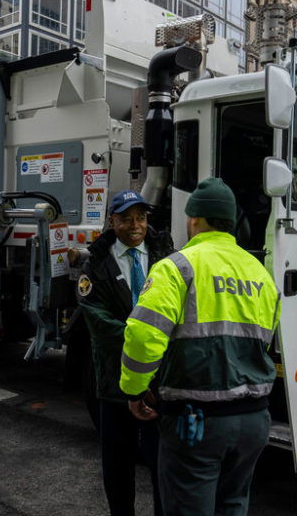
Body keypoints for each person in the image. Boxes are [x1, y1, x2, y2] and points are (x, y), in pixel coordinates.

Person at [120, 178, 279, 516]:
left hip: (198, 422)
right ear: (231, 221)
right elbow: (264, 343)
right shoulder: (262, 274)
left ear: (193, 220)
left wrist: (134, 391)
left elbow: (143, 336)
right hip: (254, 420)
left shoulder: (177, 267)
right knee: (233, 504)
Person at [77, 190, 173, 516]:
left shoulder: (166, 258)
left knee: (164, 468)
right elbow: (99, 323)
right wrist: (144, 341)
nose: (136, 225)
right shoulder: (96, 264)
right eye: (127, 218)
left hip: (159, 384)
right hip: (115, 384)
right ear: (112, 221)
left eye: (141, 217)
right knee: (118, 469)